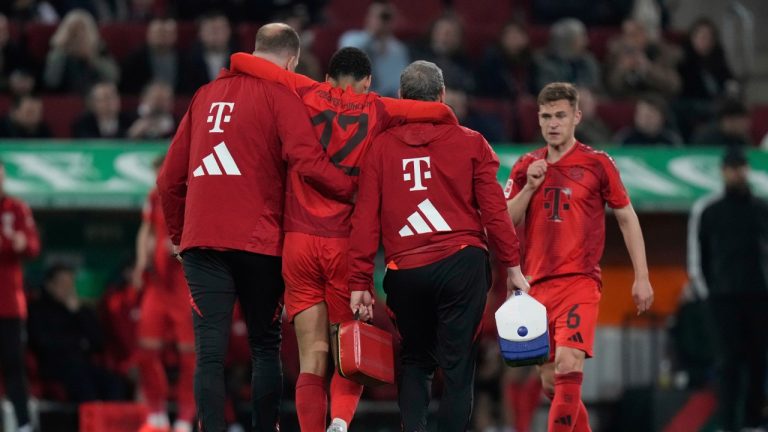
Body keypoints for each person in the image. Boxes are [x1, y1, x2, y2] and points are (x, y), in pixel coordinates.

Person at [229, 45, 455, 432]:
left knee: (311, 358)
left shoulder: (305, 91)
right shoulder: (380, 107)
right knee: (349, 350)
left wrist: (248, 62)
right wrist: (446, 110)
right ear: (367, 81)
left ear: (329, 78)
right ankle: (338, 420)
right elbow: (434, 112)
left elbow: (242, 62)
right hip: (344, 245)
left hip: (298, 242)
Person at [157, 23, 354, 432]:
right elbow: (308, 161)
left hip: (203, 243)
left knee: (208, 353)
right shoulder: (281, 94)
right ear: (292, 60)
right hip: (261, 243)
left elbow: (168, 180)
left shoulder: (204, 96)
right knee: (265, 348)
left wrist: (180, 236)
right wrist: (353, 189)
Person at [348, 60, 528, 432]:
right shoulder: (472, 142)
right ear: (443, 96)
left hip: (405, 268)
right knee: (459, 365)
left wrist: (359, 283)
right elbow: (495, 215)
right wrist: (513, 268)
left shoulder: (379, 148)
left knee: (416, 361)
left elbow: (364, 221)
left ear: (401, 98)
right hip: (462, 263)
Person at [505, 82, 654, 431]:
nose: (552, 123)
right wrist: (529, 186)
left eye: (560, 115)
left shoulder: (597, 163)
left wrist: (642, 276)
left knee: (569, 365)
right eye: (546, 116)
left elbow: (627, 217)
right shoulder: (526, 164)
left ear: (576, 117)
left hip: (579, 282)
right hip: (536, 286)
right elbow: (505, 221)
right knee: (549, 382)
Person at [687, 147, 768, 432]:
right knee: (728, 362)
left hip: (759, 295)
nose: (738, 172)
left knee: (759, 360)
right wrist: (706, 293)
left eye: (742, 167)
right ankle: (730, 424)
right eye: (733, 167)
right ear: (723, 171)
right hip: (722, 299)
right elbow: (697, 256)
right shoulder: (708, 210)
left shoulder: (761, 208)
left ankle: (754, 421)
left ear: (747, 169)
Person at [133, 155, 195, 432]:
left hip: (184, 284)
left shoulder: (192, 196)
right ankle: (156, 411)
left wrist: (183, 245)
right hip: (157, 284)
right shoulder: (152, 197)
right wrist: (139, 261)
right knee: (147, 349)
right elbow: (145, 229)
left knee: (189, 356)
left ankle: (184, 417)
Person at [28, 264, 124, 402]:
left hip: (82, 364)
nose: (68, 288)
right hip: (54, 366)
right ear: (50, 285)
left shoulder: (80, 310)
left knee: (113, 381)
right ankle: (91, 420)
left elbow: (98, 342)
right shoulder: (38, 309)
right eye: (63, 283)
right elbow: (42, 342)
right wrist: (78, 343)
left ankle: (111, 420)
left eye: (71, 283)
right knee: (81, 381)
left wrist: (77, 313)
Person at [0, 159, 40, 432]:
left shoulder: (17, 208)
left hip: (9, 306)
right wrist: (10, 243)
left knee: (14, 366)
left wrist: (22, 244)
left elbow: (32, 246)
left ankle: (23, 424)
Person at [338, 1, 409, 97]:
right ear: (368, 17)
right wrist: (372, 35)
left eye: (387, 17)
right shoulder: (351, 38)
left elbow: (398, 83)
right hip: (355, 99)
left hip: (385, 100)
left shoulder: (398, 49)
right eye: (379, 16)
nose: (382, 21)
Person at [43, 9, 119, 94]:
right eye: (74, 32)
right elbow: (51, 82)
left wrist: (92, 58)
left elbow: (114, 78)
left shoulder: (100, 50)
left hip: (96, 98)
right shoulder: (58, 52)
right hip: (67, 98)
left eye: (83, 31)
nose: (79, 37)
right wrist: (62, 51)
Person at [533, 18, 601, 93]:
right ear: (566, 42)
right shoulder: (543, 62)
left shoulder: (587, 60)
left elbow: (594, 86)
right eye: (580, 38)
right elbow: (548, 90)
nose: (586, 42)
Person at [180, 11, 237, 94]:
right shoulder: (188, 61)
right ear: (200, 33)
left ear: (229, 31)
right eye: (211, 30)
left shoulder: (240, 62)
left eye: (219, 29)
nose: (215, 34)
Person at [120, 18, 181, 94]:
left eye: (165, 33)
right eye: (158, 33)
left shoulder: (182, 59)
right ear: (149, 35)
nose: (162, 37)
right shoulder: (135, 59)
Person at [614, 95, 682, 146]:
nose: (646, 119)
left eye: (651, 116)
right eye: (642, 115)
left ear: (662, 117)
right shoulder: (625, 138)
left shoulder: (671, 140)